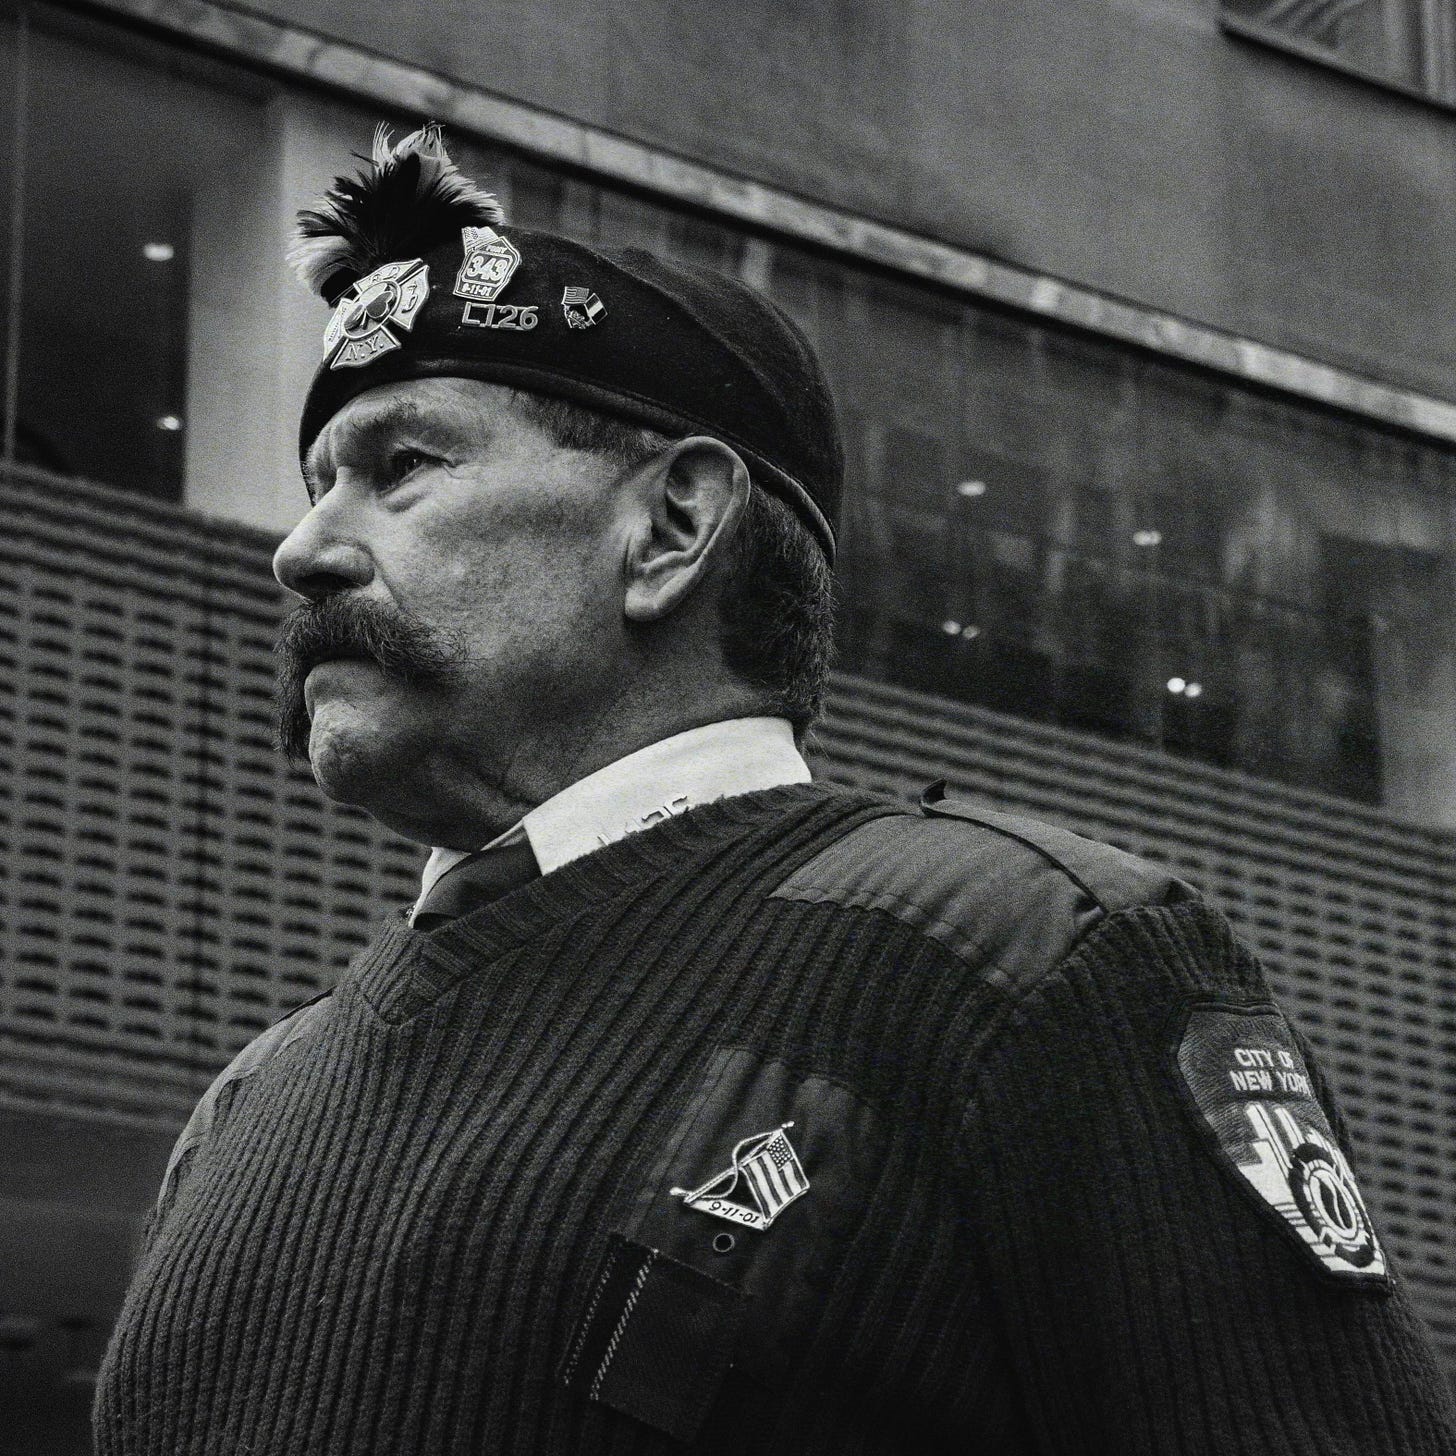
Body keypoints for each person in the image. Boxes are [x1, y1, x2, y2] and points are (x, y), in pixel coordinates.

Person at [95, 125, 1456, 1456]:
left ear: (674, 525)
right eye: (316, 483)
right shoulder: (248, 1107)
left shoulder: (1028, 956)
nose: (300, 549)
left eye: (403, 468)